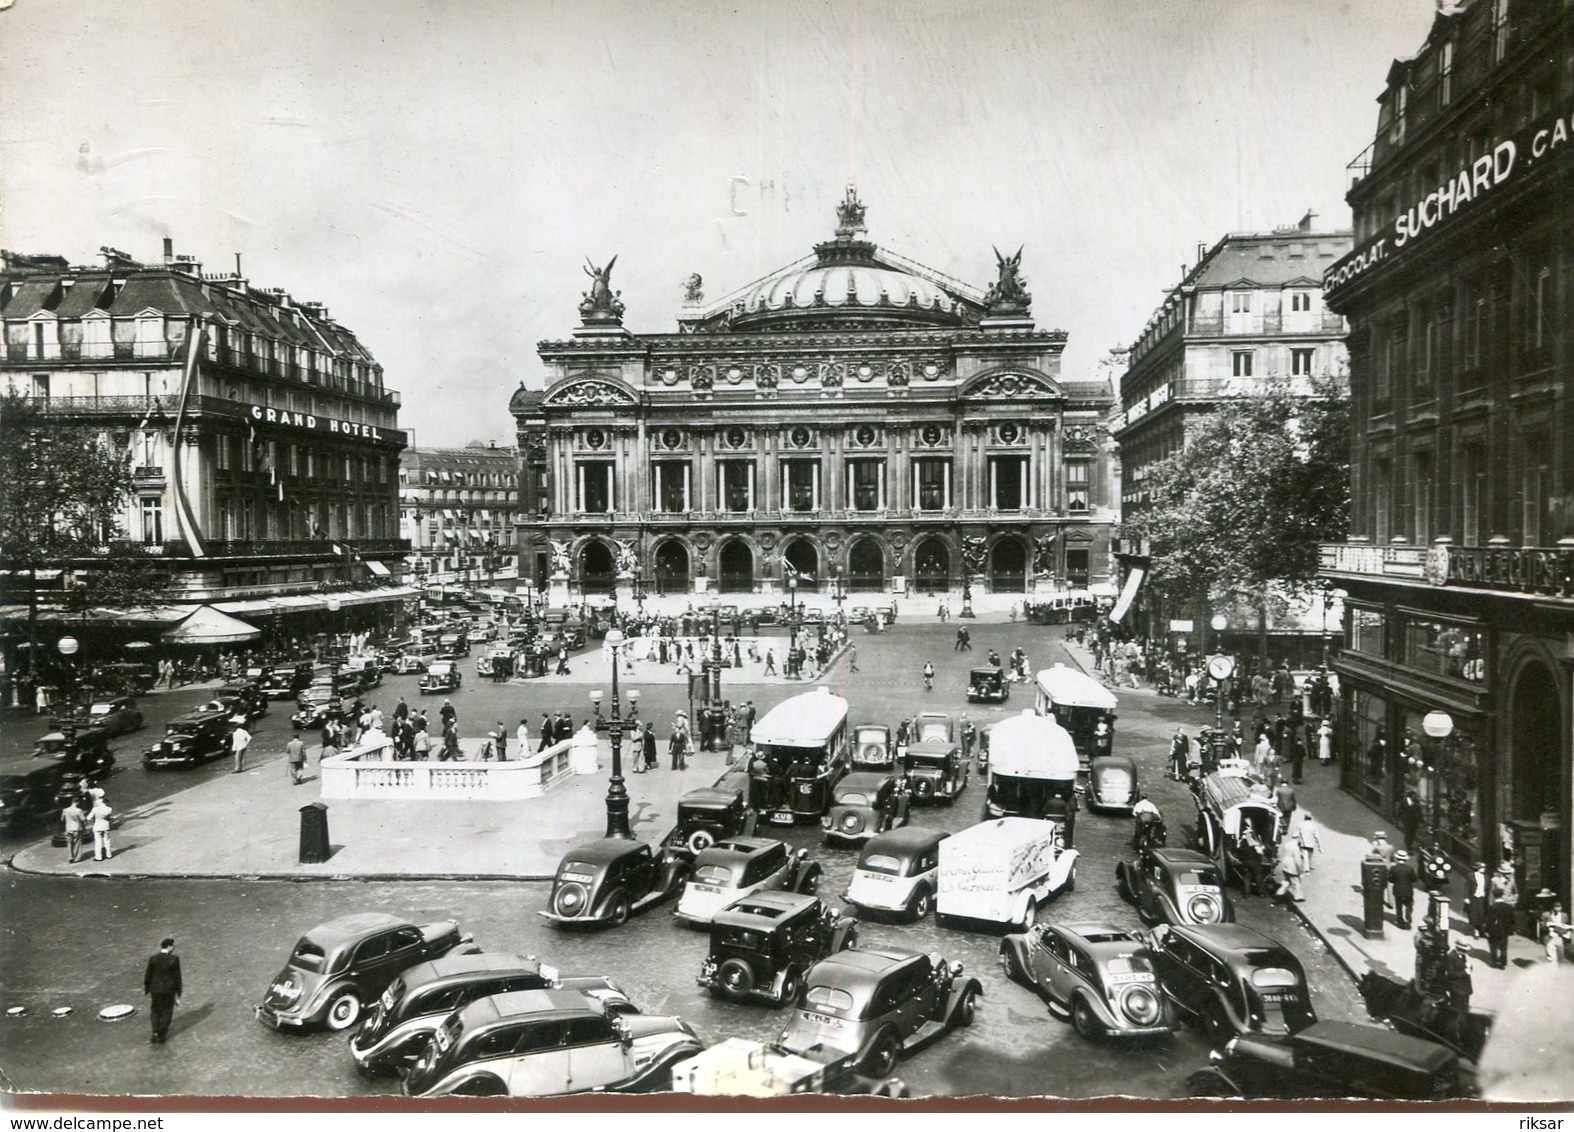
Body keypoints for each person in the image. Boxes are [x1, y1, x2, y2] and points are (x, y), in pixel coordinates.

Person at [142, 937, 182, 1044]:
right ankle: (162, 1034)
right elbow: (177, 977)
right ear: (169, 947)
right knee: (167, 1011)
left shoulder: (153, 959)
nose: (173, 948)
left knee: (155, 1010)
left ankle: (155, 1032)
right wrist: (179, 992)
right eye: (173, 946)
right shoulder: (174, 959)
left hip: (155, 990)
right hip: (169, 990)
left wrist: (146, 988)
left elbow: (148, 975)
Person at [1486, 863, 1518, 968]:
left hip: (1507, 907)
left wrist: (1513, 901)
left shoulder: (1512, 881)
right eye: (1505, 873)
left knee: (1503, 937)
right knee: (1496, 936)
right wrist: (1491, 906)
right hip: (1496, 906)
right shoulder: (1494, 880)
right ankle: (1496, 959)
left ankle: (1501, 960)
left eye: (1509, 873)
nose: (1508, 875)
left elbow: (1515, 893)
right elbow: (1491, 893)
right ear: (1501, 873)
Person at [1389, 849, 1418, 928]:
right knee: (1409, 906)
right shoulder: (1410, 868)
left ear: (1397, 859)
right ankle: (1408, 920)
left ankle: (1400, 922)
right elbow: (1415, 879)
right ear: (1405, 859)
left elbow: (1390, 880)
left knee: (1399, 907)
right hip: (1408, 891)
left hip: (1397, 891)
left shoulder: (1393, 868)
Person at [1274, 833, 1306, 902]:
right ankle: (1298, 897)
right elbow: (1297, 860)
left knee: (1288, 881)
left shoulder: (1287, 844)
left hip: (1285, 863)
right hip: (1292, 866)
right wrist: (1301, 869)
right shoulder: (1295, 847)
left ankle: (1279, 893)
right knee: (1296, 882)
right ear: (1298, 838)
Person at [1542, 899, 1570, 964]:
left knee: (1560, 956)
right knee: (1550, 957)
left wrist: (1566, 932)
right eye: (1556, 906)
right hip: (1549, 937)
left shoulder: (1564, 915)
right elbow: (1542, 926)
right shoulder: (1546, 914)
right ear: (1553, 907)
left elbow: (1565, 926)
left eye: (1560, 906)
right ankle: (1552, 972)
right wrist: (1548, 925)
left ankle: (1558, 970)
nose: (1559, 908)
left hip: (1560, 937)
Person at [1397, 789, 1425, 854]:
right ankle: (1408, 847)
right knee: (1408, 833)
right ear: (1411, 796)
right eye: (1415, 796)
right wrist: (1397, 819)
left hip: (1414, 821)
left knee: (1412, 833)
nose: (1416, 797)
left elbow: (1419, 812)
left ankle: (1410, 844)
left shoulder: (1416, 802)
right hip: (1407, 821)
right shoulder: (1403, 802)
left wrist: (1421, 821)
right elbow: (1400, 811)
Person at [62, 796, 86, 864]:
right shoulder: (79, 810)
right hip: (76, 828)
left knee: (69, 843)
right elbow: (83, 819)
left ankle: (70, 857)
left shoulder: (65, 810)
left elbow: (62, 819)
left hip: (68, 828)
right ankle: (76, 858)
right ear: (77, 802)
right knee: (77, 843)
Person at [90, 793, 114, 860]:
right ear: (106, 803)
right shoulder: (109, 809)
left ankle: (98, 857)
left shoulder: (95, 809)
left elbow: (89, 817)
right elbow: (108, 817)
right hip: (106, 826)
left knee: (98, 842)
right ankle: (109, 855)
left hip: (97, 826)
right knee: (107, 840)